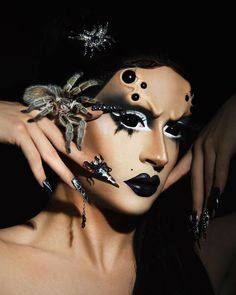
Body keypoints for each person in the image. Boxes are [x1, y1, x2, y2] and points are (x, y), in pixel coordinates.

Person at [0, 10, 236, 295]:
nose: (159, 156)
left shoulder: (198, 258)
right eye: (132, 121)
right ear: (59, 116)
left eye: (173, 130)